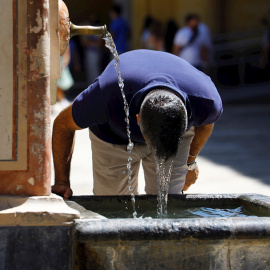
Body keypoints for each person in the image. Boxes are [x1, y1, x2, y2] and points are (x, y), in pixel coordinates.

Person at [51, 50, 222, 198]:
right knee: (113, 210)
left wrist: (190, 161)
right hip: (112, 136)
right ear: (138, 119)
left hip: (168, 127)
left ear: (185, 120)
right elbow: (62, 124)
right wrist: (61, 181)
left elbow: (207, 123)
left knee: (170, 205)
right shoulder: (106, 95)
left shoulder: (205, 99)